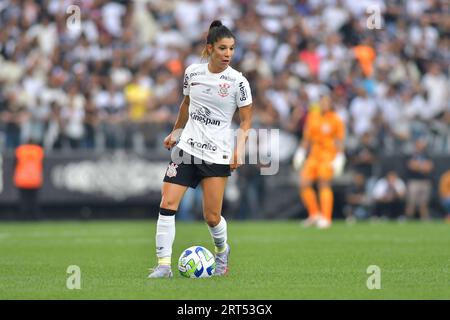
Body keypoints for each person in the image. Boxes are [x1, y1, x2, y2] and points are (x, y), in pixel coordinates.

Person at [148, 20, 253, 278]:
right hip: (187, 149)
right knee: (167, 203)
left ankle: (221, 252)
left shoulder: (238, 82)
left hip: (216, 154)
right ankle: (163, 265)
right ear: (210, 48)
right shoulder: (192, 72)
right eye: (222, 48)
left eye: (231, 49)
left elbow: (246, 121)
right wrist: (176, 130)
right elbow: (185, 104)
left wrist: (238, 150)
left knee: (212, 217)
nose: (228, 54)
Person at [293, 93, 346, 229]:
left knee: (324, 183)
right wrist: (300, 152)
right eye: (322, 102)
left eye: (326, 102)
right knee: (304, 183)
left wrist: (339, 157)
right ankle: (314, 213)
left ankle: (326, 217)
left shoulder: (336, 119)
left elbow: (339, 140)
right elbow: (307, 138)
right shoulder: (312, 117)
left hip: (328, 155)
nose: (323, 104)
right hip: (314, 155)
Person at [13, 141, 44, 220]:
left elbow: (14, 164)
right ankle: (35, 217)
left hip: (22, 179)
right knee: (34, 201)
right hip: (34, 179)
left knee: (24, 201)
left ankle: (23, 217)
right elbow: (42, 163)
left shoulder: (21, 150)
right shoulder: (38, 150)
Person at [405, 139, 434, 220]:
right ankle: (408, 218)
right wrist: (422, 166)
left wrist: (418, 166)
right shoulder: (412, 155)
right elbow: (411, 166)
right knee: (411, 202)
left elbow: (429, 167)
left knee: (423, 203)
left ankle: (424, 219)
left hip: (425, 181)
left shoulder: (427, 155)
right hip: (414, 181)